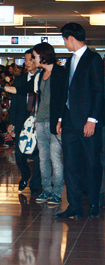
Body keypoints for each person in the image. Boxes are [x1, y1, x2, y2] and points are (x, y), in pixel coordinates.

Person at [54, 22, 105, 219]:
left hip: (87, 122)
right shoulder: (70, 59)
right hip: (69, 122)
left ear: (70, 38)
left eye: (64, 39)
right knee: (71, 165)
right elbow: (66, 91)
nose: (65, 43)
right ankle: (74, 205)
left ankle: (93, 203)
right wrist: (60, 118)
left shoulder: (93, 59)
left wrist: (92, 119)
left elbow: (99, 91)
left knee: (92, 163)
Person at [31, 43, 66, 205]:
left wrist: (60, 119)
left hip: (54, 122)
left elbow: (64, 99)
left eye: (34, 56)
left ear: (43, 55)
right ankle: (47, 190)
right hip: (41, 120)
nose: (33, 59)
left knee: (55, 158)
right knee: (43, 158)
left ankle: (58, 192)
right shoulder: (40, 74)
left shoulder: (60, 73)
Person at [6, 49, 42, 196]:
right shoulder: (20, 79)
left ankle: (35, 184)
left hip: (39, 118)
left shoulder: (44, 77)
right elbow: (14, 102)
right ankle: (25, 175)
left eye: (29, 59)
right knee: (20, 154)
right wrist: (11, 122)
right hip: (22, 118)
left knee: (39, 154)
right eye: (25, 59)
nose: (26, 63)